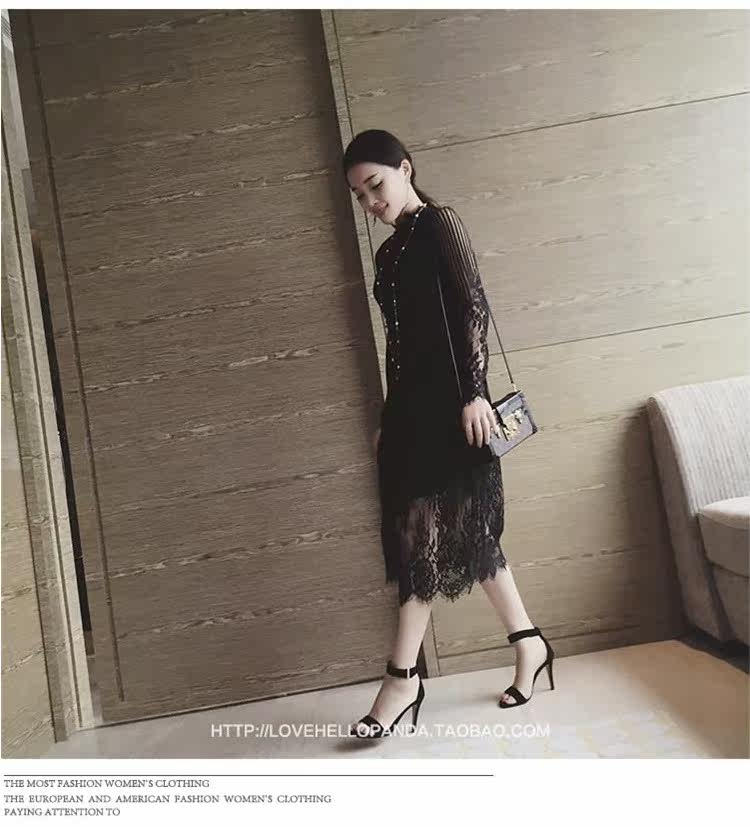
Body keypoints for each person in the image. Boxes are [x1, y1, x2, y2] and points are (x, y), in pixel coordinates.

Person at [343, 130, 555, 738]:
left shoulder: (440, 224)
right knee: (468, 538)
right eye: (360, 196)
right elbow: (399, 346)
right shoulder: (389, 253)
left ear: (405, 169)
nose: (371, 202)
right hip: (411, 414)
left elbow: (472, 308)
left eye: (376, 185)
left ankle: (401, 680)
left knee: (425, 540)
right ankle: (529, 643)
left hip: (456, 408)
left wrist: (474, 392)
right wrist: (388, 420)